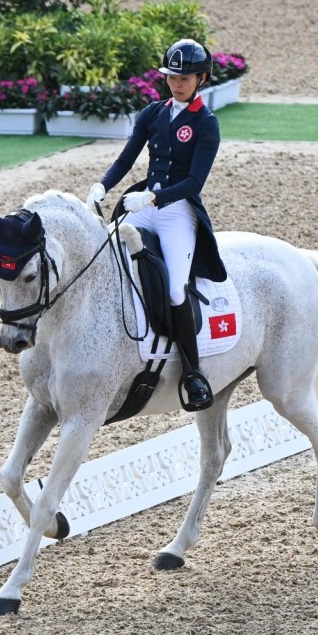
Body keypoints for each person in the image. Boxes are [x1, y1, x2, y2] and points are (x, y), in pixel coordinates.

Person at [88, 38, 227, 412]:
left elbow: (194, 183)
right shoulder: (152, 113)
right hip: (143, 203)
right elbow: (126, 157)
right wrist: (102, 185)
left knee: (177, 290)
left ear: (201, 78)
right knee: (106, 254)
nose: (176, 83)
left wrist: (152, 197)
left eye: (185, 78)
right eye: (171, 76)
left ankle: (193, 374)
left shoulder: (206, 124)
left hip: (177, 211)